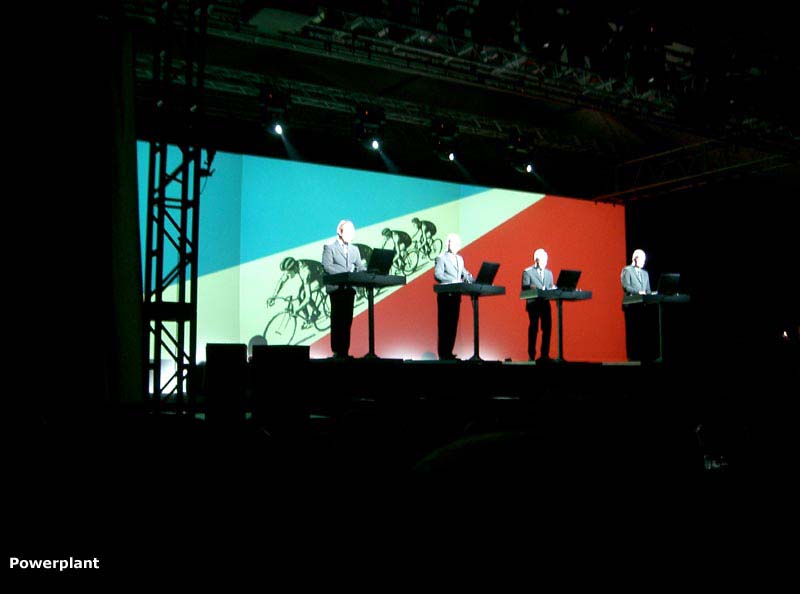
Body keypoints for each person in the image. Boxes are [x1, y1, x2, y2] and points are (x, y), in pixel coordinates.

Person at [322, 220, 365, 358]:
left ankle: (344, 352)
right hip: (336, 289)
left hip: (349, 289)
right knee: (337, 320)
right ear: (340, 232)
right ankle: (336, 351)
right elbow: (327, 266)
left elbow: (360, 266)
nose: (351, 234)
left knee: (347, 320)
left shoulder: (355, 249)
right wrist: (345, 275)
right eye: (348, 231)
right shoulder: (329, 247)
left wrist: (368, 271)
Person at [434, 233, 473, 360]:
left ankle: (449, 352)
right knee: (444, 325)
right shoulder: (441, 258)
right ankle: (443, 354)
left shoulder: (460, 259)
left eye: (456, 243)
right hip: (445, 295)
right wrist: (452, 281)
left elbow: (465, 274)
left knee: (453, 325)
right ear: (448, 243)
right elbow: (438, 275)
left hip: (456, 295)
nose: (454, 245)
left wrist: (475, 281)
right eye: (451, 242)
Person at [268, 256, 325, 329]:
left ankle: (316, 312)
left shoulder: (305, 272)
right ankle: (308, 318)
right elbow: (282, 281)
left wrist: (298, 309)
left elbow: (308, 297)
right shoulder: (294, 267)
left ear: (294, 268)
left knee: (304, 294)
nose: (288, 275)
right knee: (300, 295)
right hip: (314, 274)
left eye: (289, 273)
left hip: (323, 275)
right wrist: (274, 296)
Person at [521, 248, 555, 362]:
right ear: (536, 260)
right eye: (543, 260)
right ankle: (531, 355)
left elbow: (550, 288)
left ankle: (545, 355)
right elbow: (525, 287)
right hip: (534, 305)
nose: (545, 262)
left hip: (545, 304)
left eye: (546, 260)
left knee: (547, 329)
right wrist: (536, 288)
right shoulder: (528, 272)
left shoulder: (549, 273)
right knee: (534, 329)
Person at [620, 248, 653, 361]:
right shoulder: (627, 270)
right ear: (636, 258)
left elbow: (648, 290)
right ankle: (632, 356)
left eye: (644, 260)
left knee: (643, 332)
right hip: (631, 305)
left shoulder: (645, 273)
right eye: (642, 259)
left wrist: (650, 294)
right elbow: (626, 287)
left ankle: (643, 355)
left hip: (642, 306)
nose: (644, 262)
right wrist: (639, 292)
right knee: (632, 332)